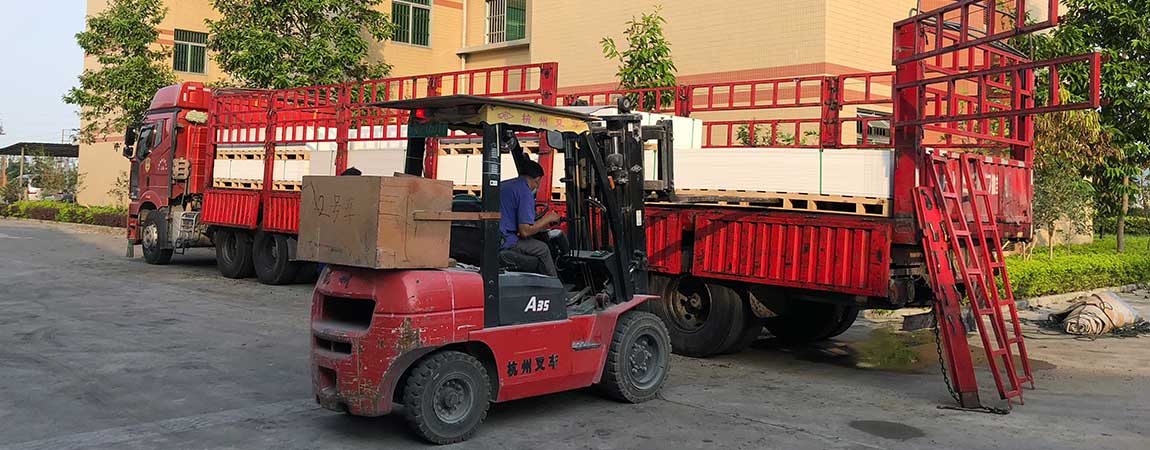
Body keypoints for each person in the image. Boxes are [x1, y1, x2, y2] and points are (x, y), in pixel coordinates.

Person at [500, 158, 560, 276]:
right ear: (537, 180)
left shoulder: (504, 185)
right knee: (543, 249)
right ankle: (555, 283)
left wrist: (539, 222)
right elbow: (525, 231)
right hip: (505, 240)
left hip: (493, 236)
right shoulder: (525, 192)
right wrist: (548, 219)